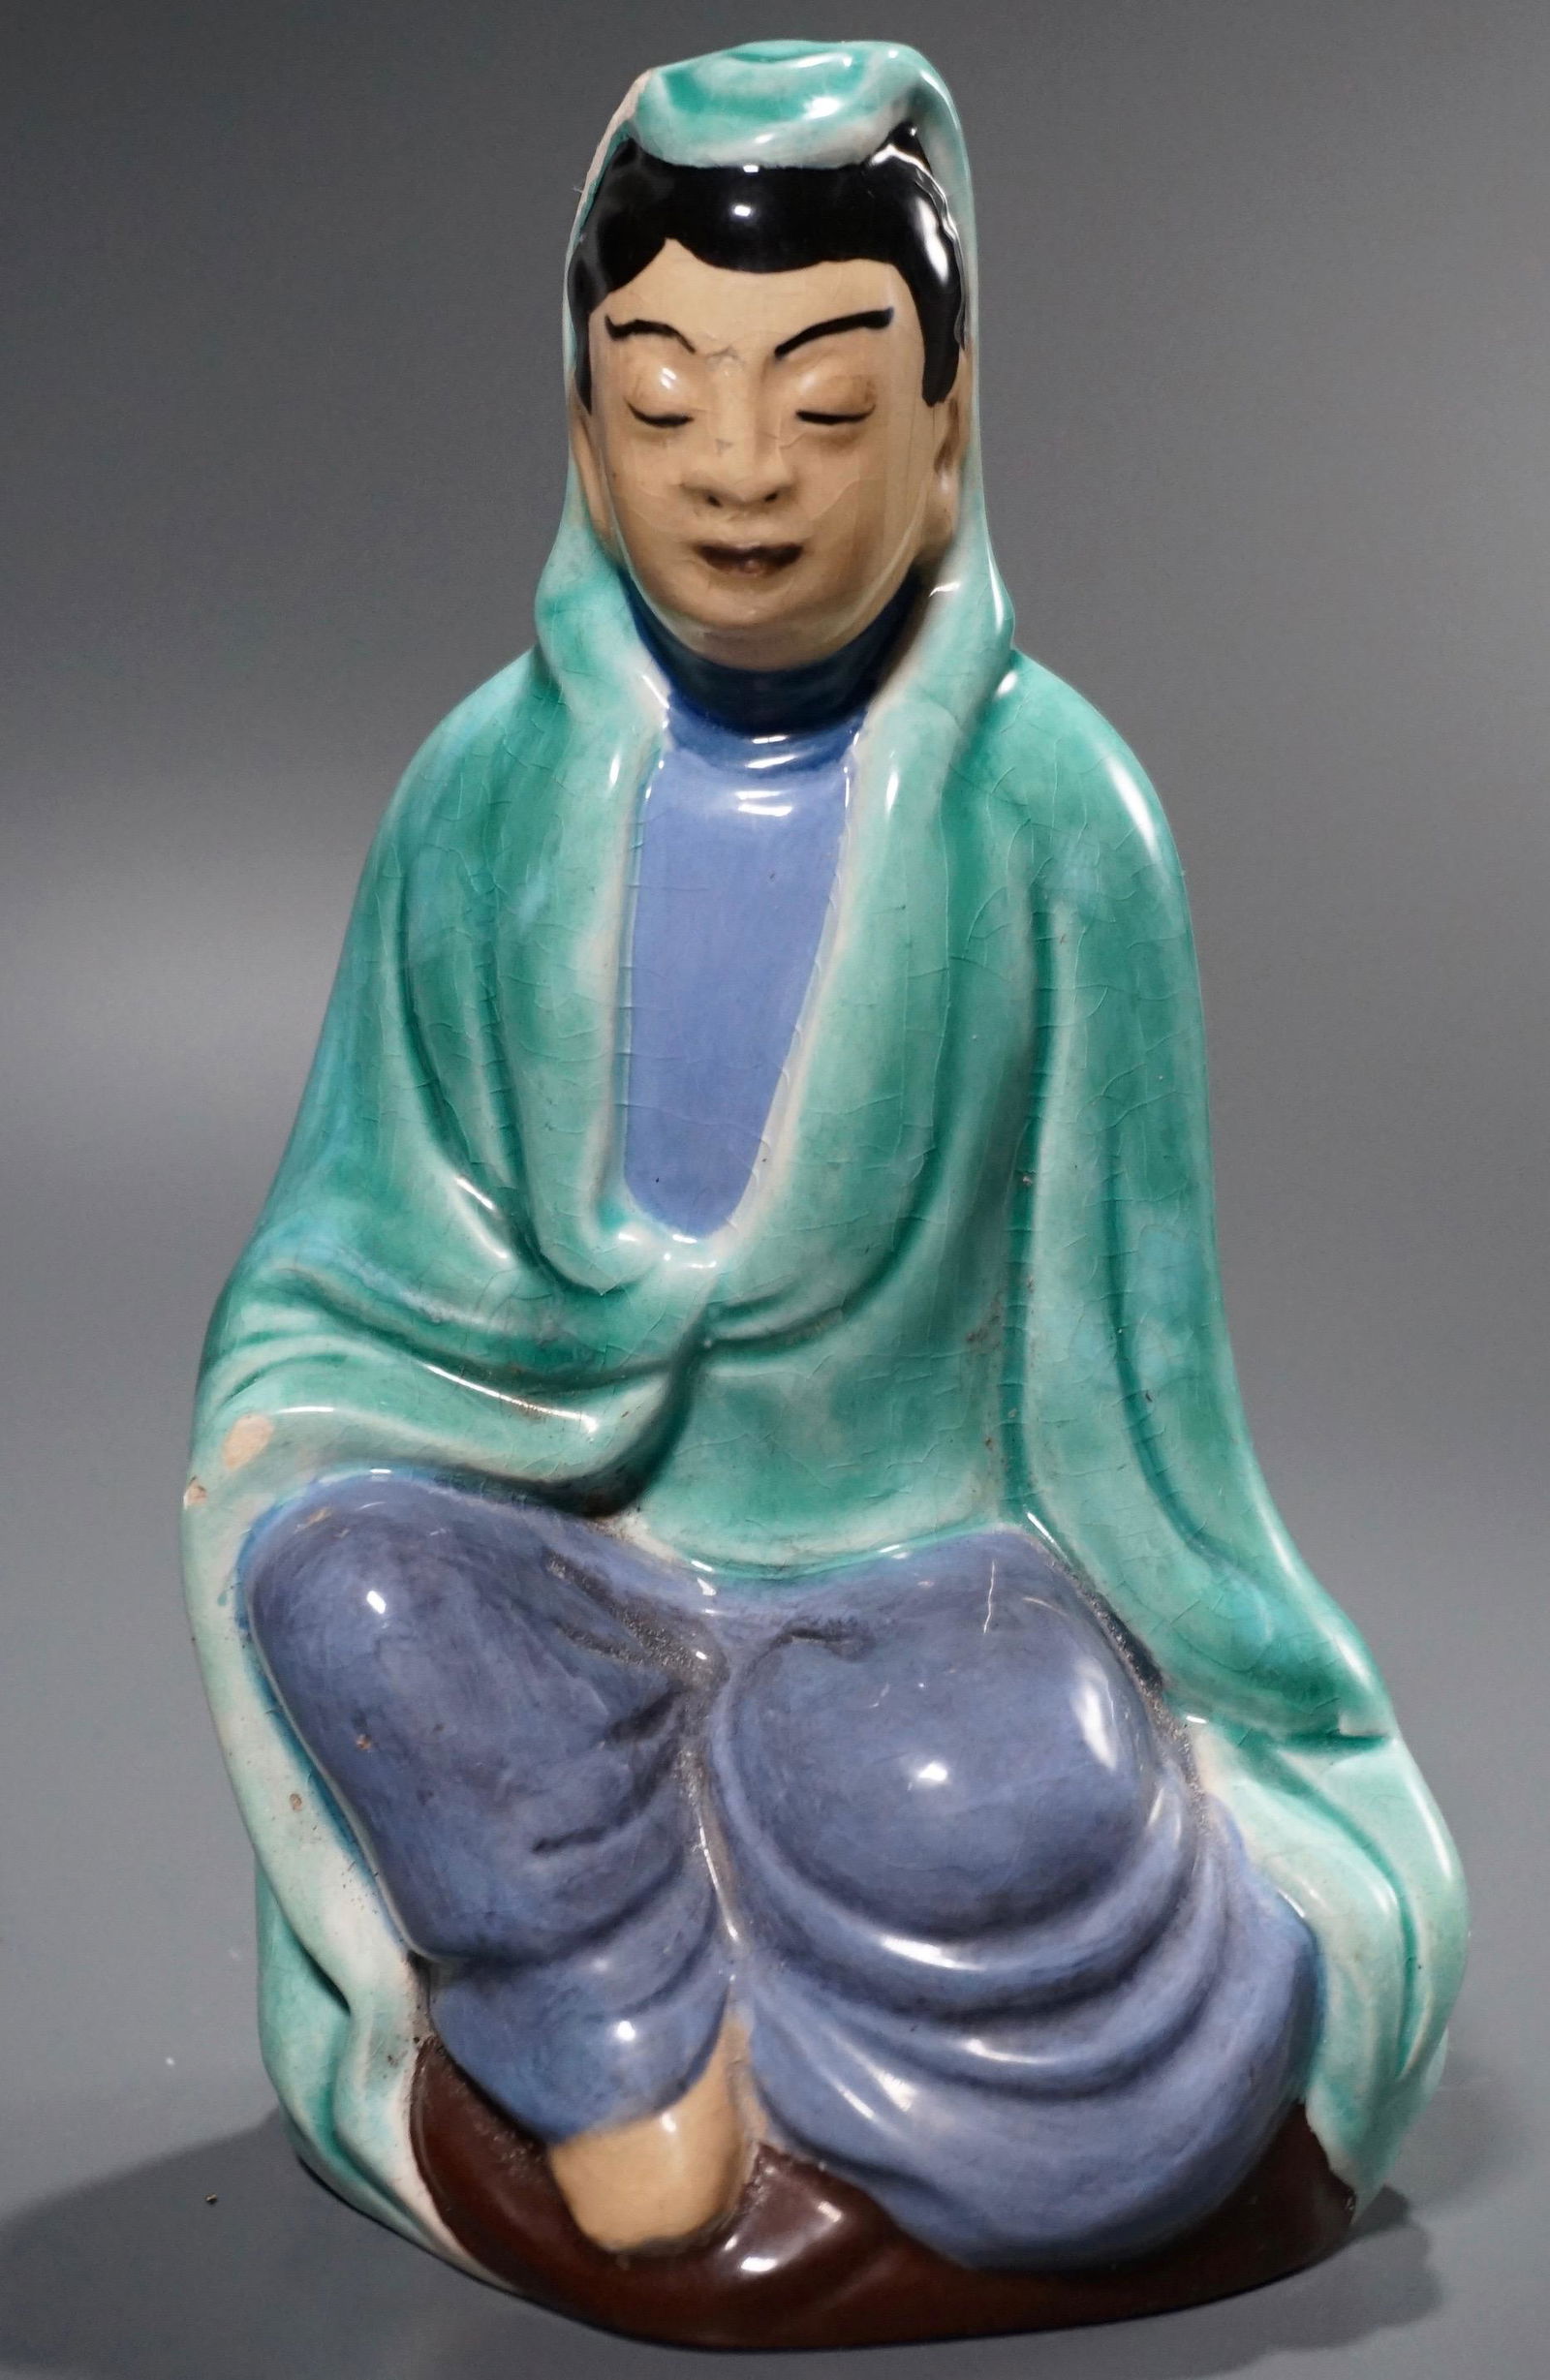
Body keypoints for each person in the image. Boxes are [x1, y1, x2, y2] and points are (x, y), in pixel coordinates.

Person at [185, 38, 1465, 2317]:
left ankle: (733, 1997)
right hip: (565, 1573)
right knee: (344, 1584)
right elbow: (338, 1295)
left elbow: (1128, 1382)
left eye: (829, 399)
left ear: (948, 424)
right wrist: (371, 1442)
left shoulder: (1054, 821)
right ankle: (607, 2026)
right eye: (664, 397)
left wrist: (1224, 1681)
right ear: (583, 425)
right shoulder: (478, 803)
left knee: (994, 1792)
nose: (742, 470)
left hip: (920, 1595)